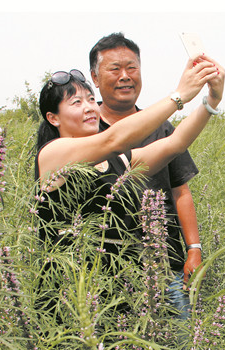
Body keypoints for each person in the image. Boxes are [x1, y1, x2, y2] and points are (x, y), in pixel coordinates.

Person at [35, 58, 224, 321]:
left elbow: (175, 144)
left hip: (115, 294)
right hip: (71, 297)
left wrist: (211, 100)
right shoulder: (52, 155)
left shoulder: (112, 161)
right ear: (52, 118)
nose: (89, 107)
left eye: (91, 99)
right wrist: (179, 96)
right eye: (76, 103)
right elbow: (114, 138)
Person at [89, 33, 209, 320]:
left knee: (182, 343)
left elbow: (181, 191)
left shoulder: (162, 126)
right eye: (114, 69)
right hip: (106, 270)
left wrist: (194, 248)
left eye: (132, 68)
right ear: (95, 77)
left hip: (166, 262)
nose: (125, 76)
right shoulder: (87, 131)